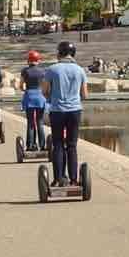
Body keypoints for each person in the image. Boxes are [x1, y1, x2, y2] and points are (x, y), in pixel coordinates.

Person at [42, 40, 88, 185]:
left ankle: (58, 178)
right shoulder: (80, 70)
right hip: (74, 111)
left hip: (57, 111)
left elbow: (44, 91)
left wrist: (53, 98)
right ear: (73, 54)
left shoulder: (52, 69)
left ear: (59, 53)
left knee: (58, 144)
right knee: (72, 145)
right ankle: (74, 180)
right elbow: (85, 95)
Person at [20, 49, 48, 151]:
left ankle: (30, 145)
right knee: (40, 122)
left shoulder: (25, 71)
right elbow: (45, 85)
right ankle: (43, 145)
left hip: (29, 96)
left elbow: (20, 85)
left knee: (31, 122)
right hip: (40, 97)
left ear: (28, 60)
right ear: (38, 60)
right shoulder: (43, 71)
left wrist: (25, 89)